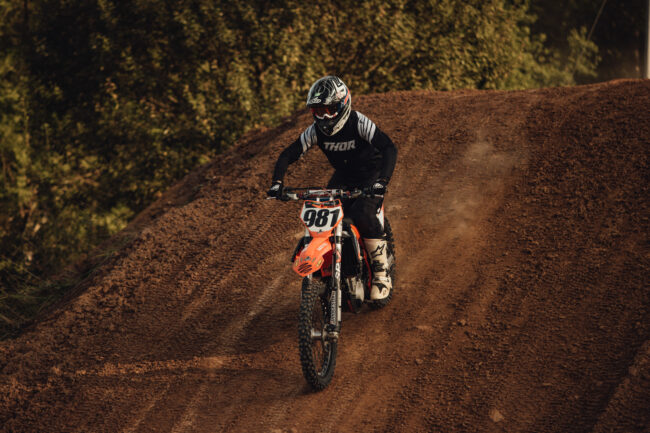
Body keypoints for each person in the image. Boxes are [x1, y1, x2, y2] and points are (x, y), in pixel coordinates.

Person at [267, 75, 397, 300]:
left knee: (362, 213)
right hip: (344, 177)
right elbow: (289, 154)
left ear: (343, 104)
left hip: (370, 175)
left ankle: (380, 271)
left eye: (329, 110)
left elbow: (388, 147)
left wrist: (382, 181)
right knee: (326, 214)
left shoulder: (358, 122)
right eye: (318, 111)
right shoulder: (315, 131)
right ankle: (334, 267)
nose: (324, 116)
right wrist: (277, 183)